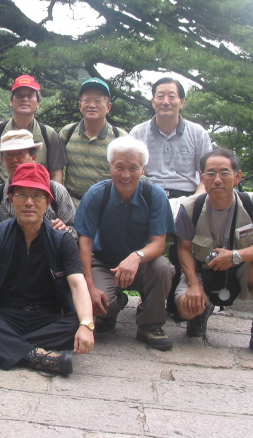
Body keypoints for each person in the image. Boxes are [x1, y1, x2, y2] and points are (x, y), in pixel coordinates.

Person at [0, 163, 94, 376]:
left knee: (77, 321)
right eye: (22, 194)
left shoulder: (62, 240)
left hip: (46, 316)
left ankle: (7, 347)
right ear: (11, 199)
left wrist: (86, 325)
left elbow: (77, 284)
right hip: (5, 314)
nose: (29, 202)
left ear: (48, 202)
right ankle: (36, 355)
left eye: (37, 195)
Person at [174, 148, 253, 360]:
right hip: (203, 270)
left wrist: (234, 256)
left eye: (224, 172)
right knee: (186, 307)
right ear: (201, 177)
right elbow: (183, 248)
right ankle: (202, 310)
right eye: (210, 173)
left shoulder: (252, 203)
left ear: (237, 176)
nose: (217, 179)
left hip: (241, 270)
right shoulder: (190, 207)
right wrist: (194, 284)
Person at [75, 136, 176, 351]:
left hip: (143, 264)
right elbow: (85, 242)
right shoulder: (96, 194)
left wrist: (136, 257)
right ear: (110, 166)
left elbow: (159, 244)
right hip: (105, 263)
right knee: (98, 303)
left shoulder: (155, 195)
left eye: (133, 168)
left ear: (143, 169)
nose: (126, 175)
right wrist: (90, 287)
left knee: (163, 267)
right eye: (119, 167)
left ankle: (150, 324)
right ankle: (114, 307)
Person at [0, 130, 77, 266]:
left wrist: (65, 231)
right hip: (5, 267)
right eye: (9, 155)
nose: (14, 160)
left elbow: (74, 232)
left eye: (20, 153)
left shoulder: (57, 191)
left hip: (48, 266)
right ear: (2, 160)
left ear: (34, 157)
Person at [0, 74, 67, 192]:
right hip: (3, 196)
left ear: (38, 103)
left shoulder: (48, 134)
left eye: (30, 95)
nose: (24, 99)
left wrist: (53, 199)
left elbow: (56, 172)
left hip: (37, 197)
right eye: (19, 95)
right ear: (11, 101)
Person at [129, 77, 213, 199]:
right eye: (160, 96)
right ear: (153, 102)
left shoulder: (198, 133)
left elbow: (208, 174)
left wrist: (194, 201)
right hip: (147, 195)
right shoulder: (137, 133)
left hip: (188, 196)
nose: (165, 102)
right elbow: (129, 172)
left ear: (181, 102)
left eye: (172, 97)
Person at [59, 78, 127, 204]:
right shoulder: (67, 132)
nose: (92, 105)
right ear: (80, 105)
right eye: (87, 100)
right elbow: (57, 168)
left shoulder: (120, 137)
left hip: (106, 205)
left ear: (108, 107)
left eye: (98, 101)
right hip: (72, 203)